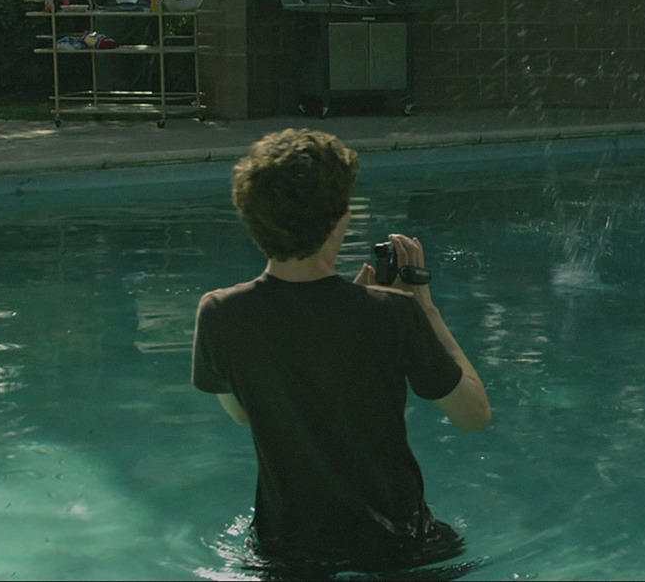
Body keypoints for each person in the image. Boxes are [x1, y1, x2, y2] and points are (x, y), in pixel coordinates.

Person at [191, 128, 491, 575]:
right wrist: (423, 309)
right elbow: (474, 415)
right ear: (337, 221)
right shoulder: (391, 315)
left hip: (285, 550)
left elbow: (243, 412)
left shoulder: (219, 313)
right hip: (399, 548)